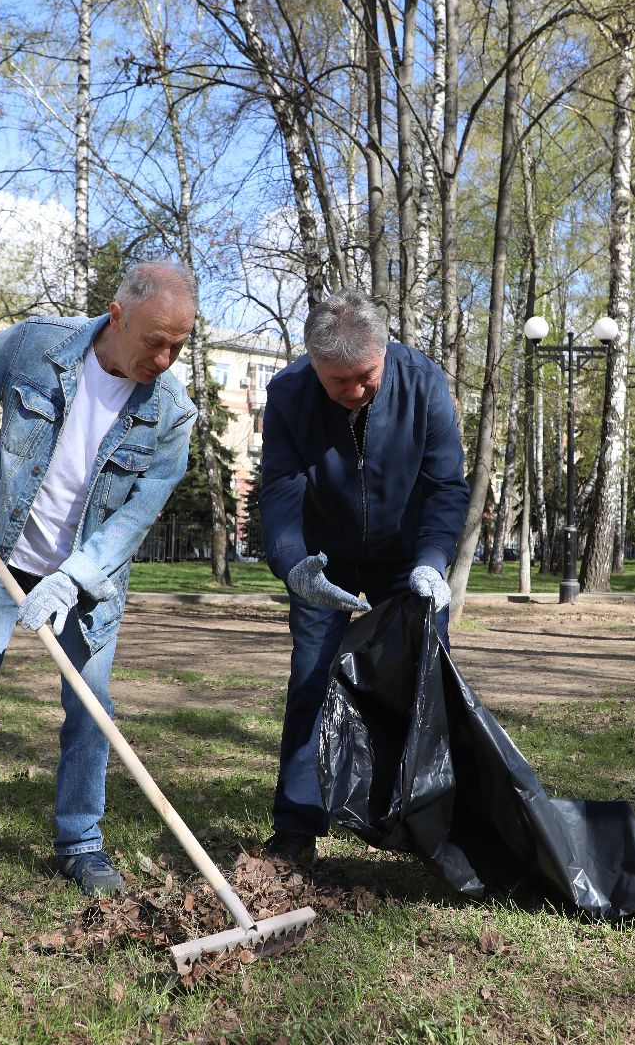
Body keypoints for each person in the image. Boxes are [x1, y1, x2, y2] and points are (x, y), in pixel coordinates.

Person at [0, 262, 198, 897]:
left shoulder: (172, 414)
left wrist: (74, 577)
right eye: (154, 341)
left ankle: (81, 844)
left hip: (88, 581)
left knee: (90, 712)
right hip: (0, 555)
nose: (163, 358)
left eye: (179, 346)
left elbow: (136, 515)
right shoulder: (36, 347)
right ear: (118, 316)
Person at [257, 290, 470, 867]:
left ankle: (426, 821)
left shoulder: (423, 382)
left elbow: (447, 484)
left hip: (408, 563)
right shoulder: (288, 394)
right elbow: (277, 491)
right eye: (338, 382)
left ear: (384, 352)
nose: (354, 392)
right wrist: (294, 565)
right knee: (310, 683)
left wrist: (432, 559)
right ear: (313, 365)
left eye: (366, 377)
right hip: (321, 562)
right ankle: (298, 826)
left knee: (423, 686)